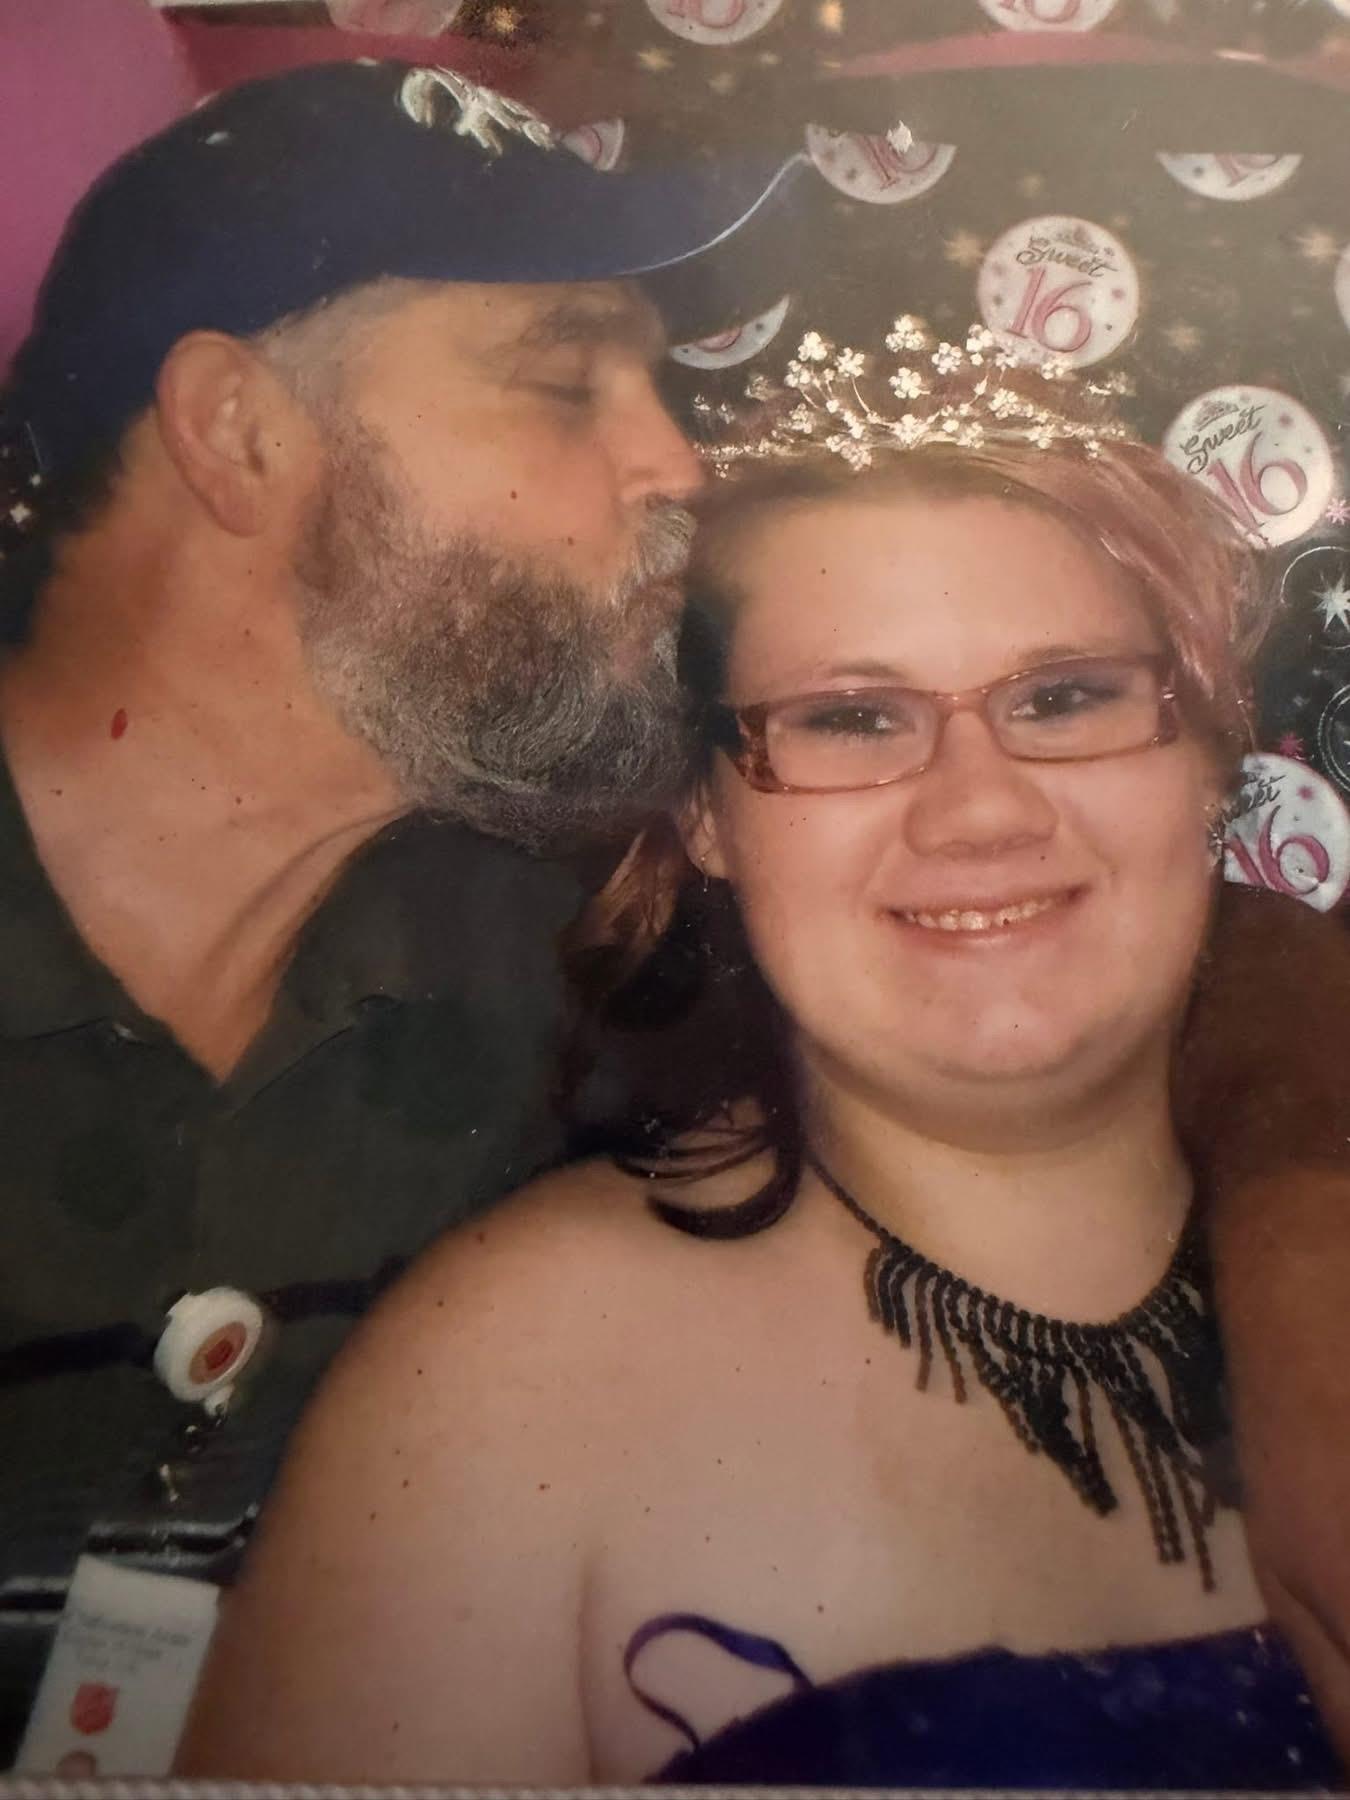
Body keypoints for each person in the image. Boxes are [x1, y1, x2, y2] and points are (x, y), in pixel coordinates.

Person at [180, 324, 1350, 1785]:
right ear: (706, 820)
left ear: (1204, 756)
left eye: (1062, 697)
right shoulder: (506, 1390)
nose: (978, 810)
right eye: (847, 719)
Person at [0, 57, 802, 1765]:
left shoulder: (555, 955)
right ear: (238, 431)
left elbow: (1091, 998)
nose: (678, 467)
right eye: (564, 379)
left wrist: (1301, 1217)